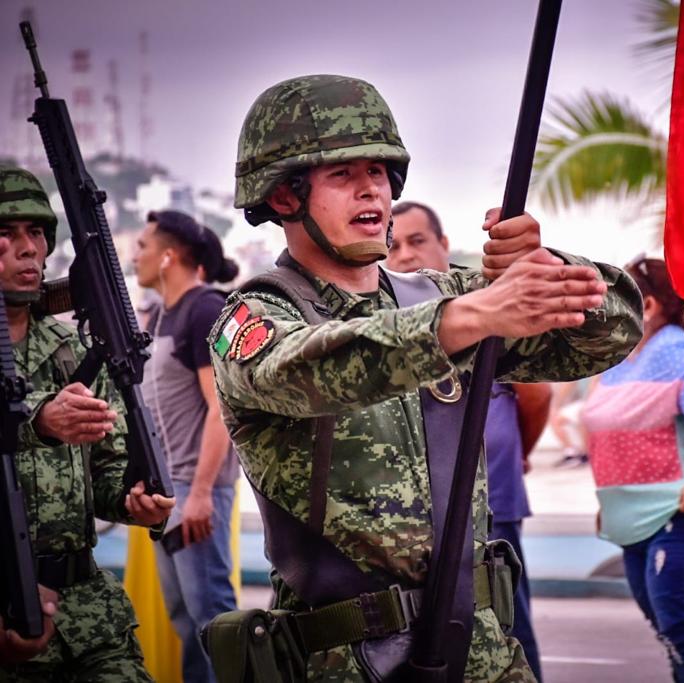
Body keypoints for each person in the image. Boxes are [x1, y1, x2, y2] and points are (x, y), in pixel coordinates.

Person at [209, 74, 641, 681]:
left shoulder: (444, 297)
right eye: (343, 175)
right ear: (284, 197)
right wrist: (465, 319)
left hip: (486, 652)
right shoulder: (254, 317)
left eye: (379, 172)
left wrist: (545, 266)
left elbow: (615, 329)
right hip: (352, 661)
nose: (370, 189)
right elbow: (307, 368)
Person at [0, 165, 173, 679]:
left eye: (36, 232)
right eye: (5, 234)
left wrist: (132, 499)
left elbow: (105, 473)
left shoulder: (75, 351)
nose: (28, 248)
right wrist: (39, 420)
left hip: (89, 616)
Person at [387, 200, 551, 681]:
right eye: (394, 245)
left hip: (493, 503)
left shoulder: (483, 309)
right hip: (428, 518)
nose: (404, 255)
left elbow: (536, 396)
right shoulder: (394, 327)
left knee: (508, 622)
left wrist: (512, 453)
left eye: (417, 241)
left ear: (443, 244)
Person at [581, 257, 684, 683]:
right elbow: (604, 436)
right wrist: (609, 502)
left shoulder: (672, 348)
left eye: (614, 298)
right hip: (634, 520)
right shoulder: (619, 361)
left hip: (680, 515)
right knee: (673, 637)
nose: (603, 309)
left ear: (645, 305)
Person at [133, 209, 240, 682]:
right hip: (166, 488)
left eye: (143, 246)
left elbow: (220, 410)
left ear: (168, 257)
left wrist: (199, 493)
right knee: (184, 618)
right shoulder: (160, 315)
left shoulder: (205, 310)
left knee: (213, 619)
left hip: (197, 488)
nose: (136, 255)